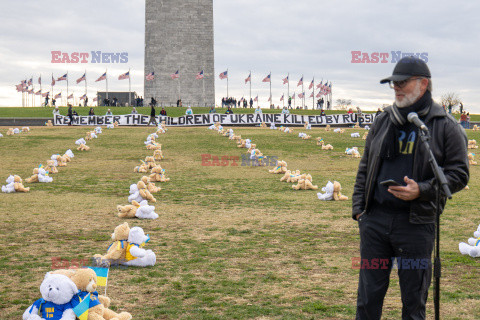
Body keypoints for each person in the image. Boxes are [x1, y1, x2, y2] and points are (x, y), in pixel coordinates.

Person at [352, 56, 469, 319]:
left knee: (414, 304)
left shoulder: (444, 126)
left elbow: (459, 174)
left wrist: (422, 190)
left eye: (402, 82)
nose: (396, 88)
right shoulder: (383, 121)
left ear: (423, 84)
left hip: (416, 225)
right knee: (367, 300)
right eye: (393, 83)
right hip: (376, 223)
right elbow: (365, 166)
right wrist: (360, 211)